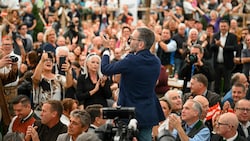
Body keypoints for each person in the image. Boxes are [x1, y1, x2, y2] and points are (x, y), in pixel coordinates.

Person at [101, 27, 165, 141]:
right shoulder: (156, 61)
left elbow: (105, 69)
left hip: (128, 112)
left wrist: (106, 50)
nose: (129, 41)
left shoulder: (131, 60)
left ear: (140, 44)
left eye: (131, 39)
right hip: (147, 111)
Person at [211, 20, 238, 95]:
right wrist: (216, 45)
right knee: (216, 85)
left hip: (227, 64)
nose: (223, 28)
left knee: (227, 85)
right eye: (221, 26)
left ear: (228, 27)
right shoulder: (215, 36)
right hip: (217, 64)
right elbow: (211, 47)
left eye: (224, 26)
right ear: (219, 27)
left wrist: (223, 46)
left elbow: (235, 47)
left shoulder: (232, 37)